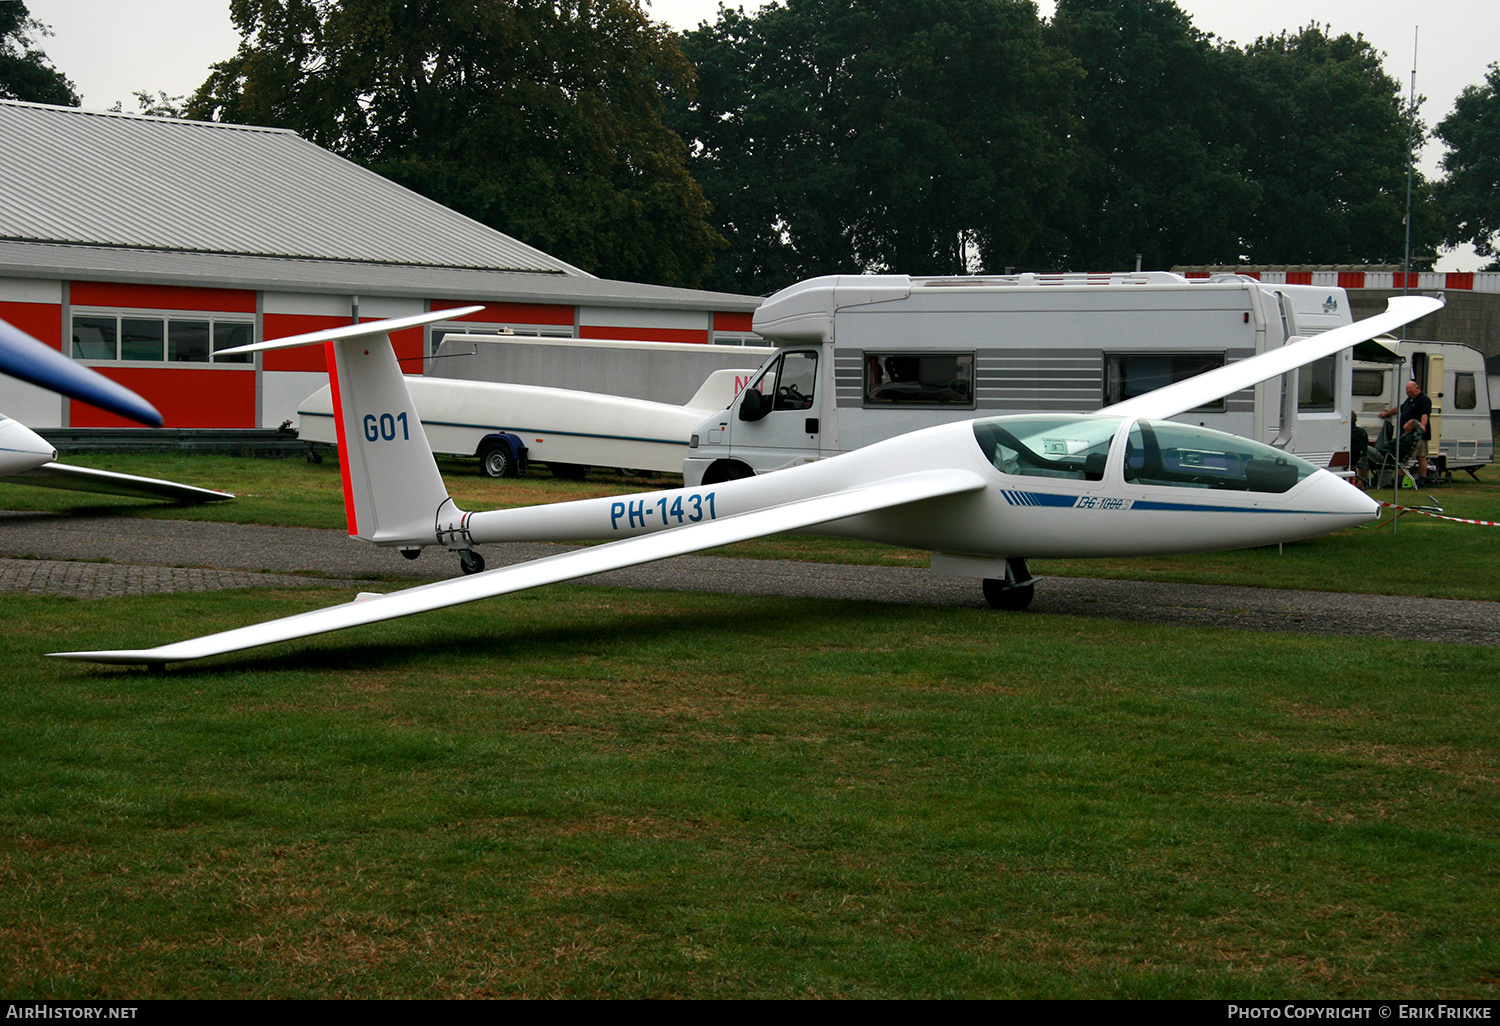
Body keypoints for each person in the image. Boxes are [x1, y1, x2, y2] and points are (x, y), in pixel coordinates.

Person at [1379, 380, 1431, 485]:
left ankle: (1422, 481)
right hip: (1406, 434)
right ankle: (1398, 482)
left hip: (1418, 435)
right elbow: (1401, 408)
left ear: (1418, 388)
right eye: (1408, 392)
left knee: (1421, 457)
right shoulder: (1410, 400)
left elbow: (1425, 414)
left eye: (1411, 392)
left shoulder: (1424, 399)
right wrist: (1387, 414)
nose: (1409, 394)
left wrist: (1422, 426)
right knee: (1403, 457)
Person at [1350, 412, 1369, 488]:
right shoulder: (1362, 432)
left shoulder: (1343, 432)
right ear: (1356, 420)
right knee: (1364, 457)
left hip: (1346, 460)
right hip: (1358, 458)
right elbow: (1365, 447)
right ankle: (1361, 482)